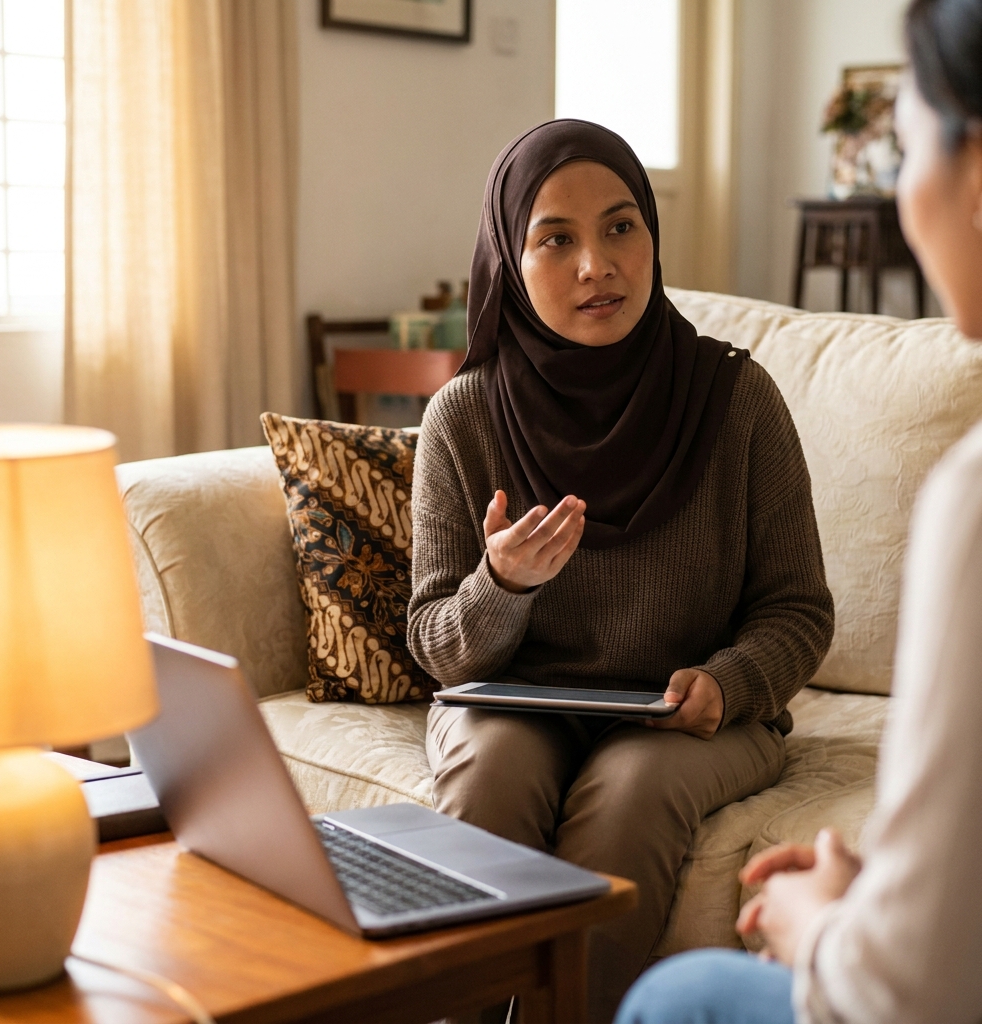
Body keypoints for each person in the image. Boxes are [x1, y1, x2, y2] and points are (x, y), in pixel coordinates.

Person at [407, 119, 834, 1022]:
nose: (596, 264)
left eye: (621, 226)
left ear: (652, 236)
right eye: (555, 238)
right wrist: (504, 586)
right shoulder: (464, 417)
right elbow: (438, 648)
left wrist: (729, 682)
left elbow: (797, 610)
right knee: (490, 776)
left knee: (631, 792)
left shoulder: (737, 399)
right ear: (508, 262)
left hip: (688, 718)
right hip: (516, 702)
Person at [614, 2, 982, 1022]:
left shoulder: (971, 495)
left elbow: (907, 993)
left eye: (905, 148)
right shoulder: (476, 407)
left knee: (678, 994)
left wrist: (817, 923)